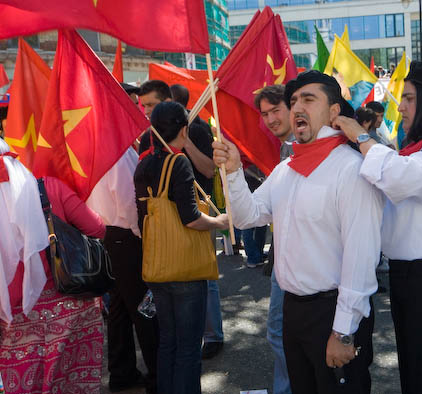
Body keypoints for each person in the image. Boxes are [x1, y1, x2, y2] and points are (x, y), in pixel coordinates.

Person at [214, 70, 384, 393]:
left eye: (309, 99)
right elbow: (249, 215)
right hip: (294, 312)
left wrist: (344, 332)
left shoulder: (351, 169)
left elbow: (360, 259)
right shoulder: (286, 170)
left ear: (334, 112)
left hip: (333, 315)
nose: (297, 108)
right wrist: (234, 172)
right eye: (293, 101)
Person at [333, 61, 422, 394]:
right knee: (416, 374)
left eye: (410, 98)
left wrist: (360, 136)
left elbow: (399, 176)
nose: (401, 106)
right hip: (412, 278)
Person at [134, 101, 228, 394]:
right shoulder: (178, 162)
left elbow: (143, 219)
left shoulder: (143, 165)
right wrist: (219, 221)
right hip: (185, 269)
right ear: (184, 130)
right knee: (188, 348)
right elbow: (190, 219)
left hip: (156, 267)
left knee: (168, 343)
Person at [1, 138, 106, 393]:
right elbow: (97, 228)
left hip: (14, 319)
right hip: (71, 302)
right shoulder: (49, 188)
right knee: (74, 384)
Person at [85, 83, 159, 394]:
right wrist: (145, 239)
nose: (137, 112)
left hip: (110, 235)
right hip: (125, 237)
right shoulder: (115, 150)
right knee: (144, 308)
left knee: (119, 310)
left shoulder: (103, 144)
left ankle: (122, 372)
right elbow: (130, 205)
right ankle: (158, 375)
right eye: (131, 106)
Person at [254, 84, 294, 394]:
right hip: (283, 254)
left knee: (279, 332)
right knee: (281, 332)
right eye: (264, 113)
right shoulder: (286, 147)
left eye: (275, 110)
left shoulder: (299, 146)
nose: (269, 119)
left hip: (296, 258)